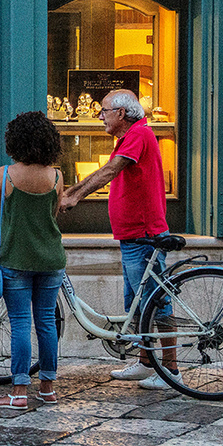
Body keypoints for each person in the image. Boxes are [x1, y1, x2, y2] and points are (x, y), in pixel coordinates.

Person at [60, 88, 175, 390]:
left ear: (122, 113)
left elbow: (110, 171)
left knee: (156, 304)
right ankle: (146, 363)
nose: (100, 116)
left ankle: (171, 370)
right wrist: (71, 193)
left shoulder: (139, 134)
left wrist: (75, 196)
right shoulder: (128, 137)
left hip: (145, 234)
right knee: (137, 304)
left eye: (104, 110)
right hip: (133, 235)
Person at [0, 112, 68, 410]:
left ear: (15, 140)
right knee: (46, 321)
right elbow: (54, 214)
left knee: (20, 322)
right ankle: (48, 388)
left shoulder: (5, 174)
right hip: (51, 259)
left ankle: (19, 391)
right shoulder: (57, 176)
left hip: (16, 258)